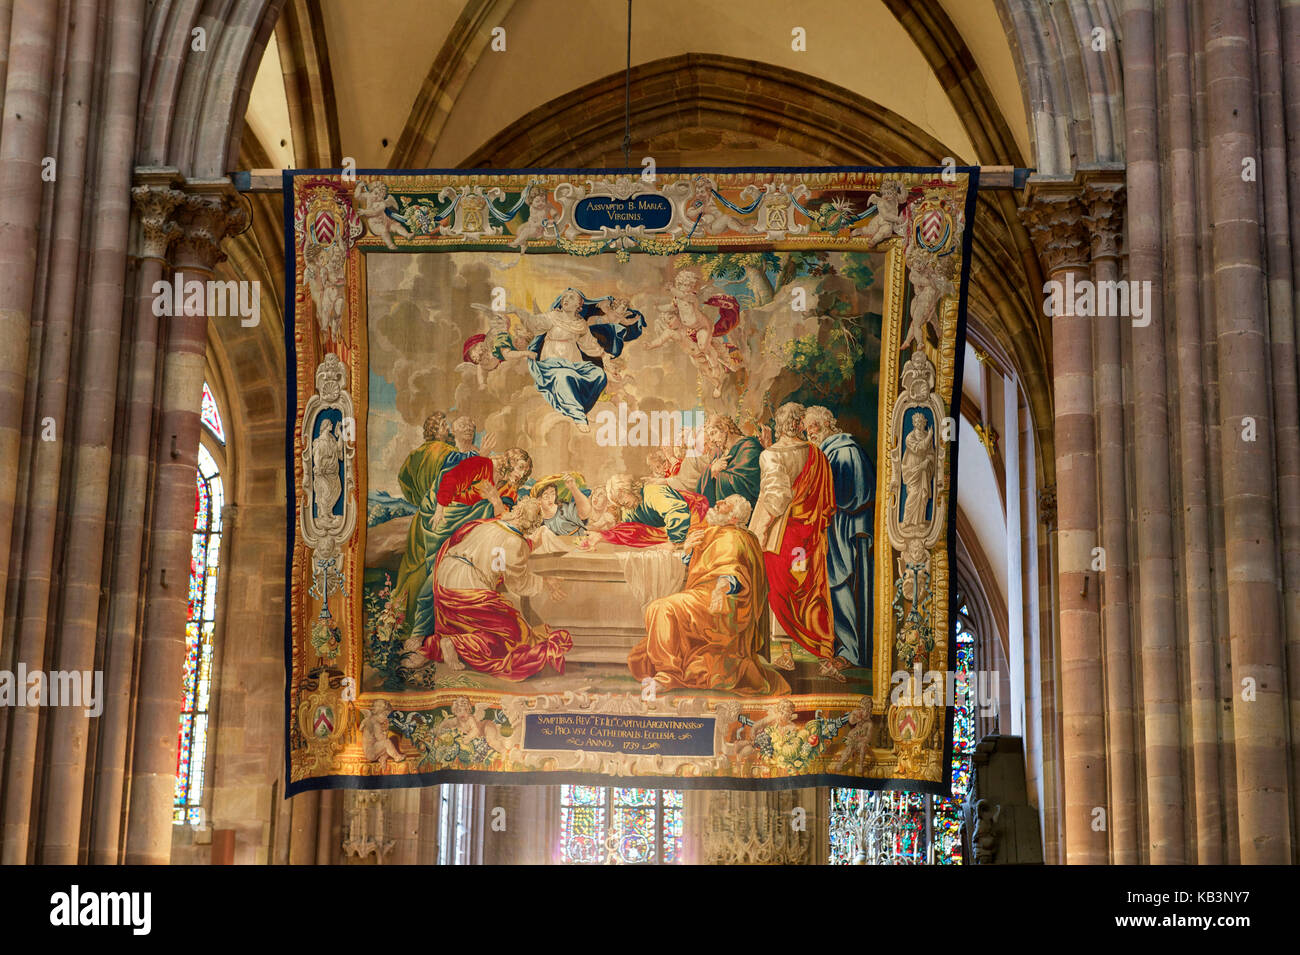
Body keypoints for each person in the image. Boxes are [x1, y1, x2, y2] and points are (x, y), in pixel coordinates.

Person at [629, 495, 790, 696]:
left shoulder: (736, 536)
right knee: (660, 608)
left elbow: (735, 570)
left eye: (725, 503)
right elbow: (700, 564)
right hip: (700, 596)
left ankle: (667, 674)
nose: (719, 502)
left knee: (662, 608)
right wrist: (688, 549)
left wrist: (723, 586)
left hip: (723, 603)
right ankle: (667, 671)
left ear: (734, 517)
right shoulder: (712, 532)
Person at [403, 499, 571, 681]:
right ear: (533, 526)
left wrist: (525, 549)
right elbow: (518, 584)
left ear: (517, 512)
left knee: (468, 622)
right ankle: (455, 644)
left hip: (446, 574)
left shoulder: (490, 524)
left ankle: (443, 643)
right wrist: (545, 582)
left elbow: (497, 558)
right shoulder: (515, 542)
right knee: (513, 633)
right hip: (468, 584)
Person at [748, 402, 841, 679]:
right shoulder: (816, 454)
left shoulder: (772, 456)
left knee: (779, 589)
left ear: (780, 424)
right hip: (808, 534)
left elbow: (777, 498)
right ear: (799, 424)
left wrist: (761, 531)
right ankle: (817, 649)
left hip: (781, 534)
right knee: (807, 586)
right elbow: (826, 501)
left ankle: (785, 654)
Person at [410, 447, 533, 639]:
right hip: (450, 523)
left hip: (474, 537)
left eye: (523, 472)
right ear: (509, 462)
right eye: (518, 467)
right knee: (434, 578)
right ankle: (419, 634)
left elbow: (503, 519)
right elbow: (451, 479)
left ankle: (460, 637)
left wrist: (494, 500)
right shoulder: (482, 466)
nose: (519, 475)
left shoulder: (509, 489)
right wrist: (440, 509)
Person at [805, 406, 875, 670]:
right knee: (831, 587)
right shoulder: (830, 451)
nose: (810, 432)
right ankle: (839, 648)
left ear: (828, 424)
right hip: (833, 529)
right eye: (807, 428)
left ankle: (850, 651)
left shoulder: (844, 450)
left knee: (840, 586)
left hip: (844, 530)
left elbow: (849, 494)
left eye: (814, 426)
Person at [598, 472, 698, 548]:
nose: (621, 502)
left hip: (694, 521)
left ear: (628, 488)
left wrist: (673, 542)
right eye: (617, 501)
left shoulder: (652, 492)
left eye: (621, 495)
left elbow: (677, 512)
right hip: (670, 535)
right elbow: (627, 530)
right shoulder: (629, 508)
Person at [696, 413, 763, 507]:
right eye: (709, 436)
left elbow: (748, 484)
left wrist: (720, 476)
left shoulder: (749, 447)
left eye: (713, 433)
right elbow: (704, 481)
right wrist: (712, 470)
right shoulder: (720, 453)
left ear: (725, 428)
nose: (711, 440)